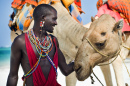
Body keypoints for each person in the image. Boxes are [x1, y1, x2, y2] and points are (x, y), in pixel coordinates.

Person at [7, 4, 74, 86]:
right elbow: (13, 76)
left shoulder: (53, 41)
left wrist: (84, 60)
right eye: (54, 19)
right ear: (43, 18)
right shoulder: (20, 42)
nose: (56, 23)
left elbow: (66, 70)